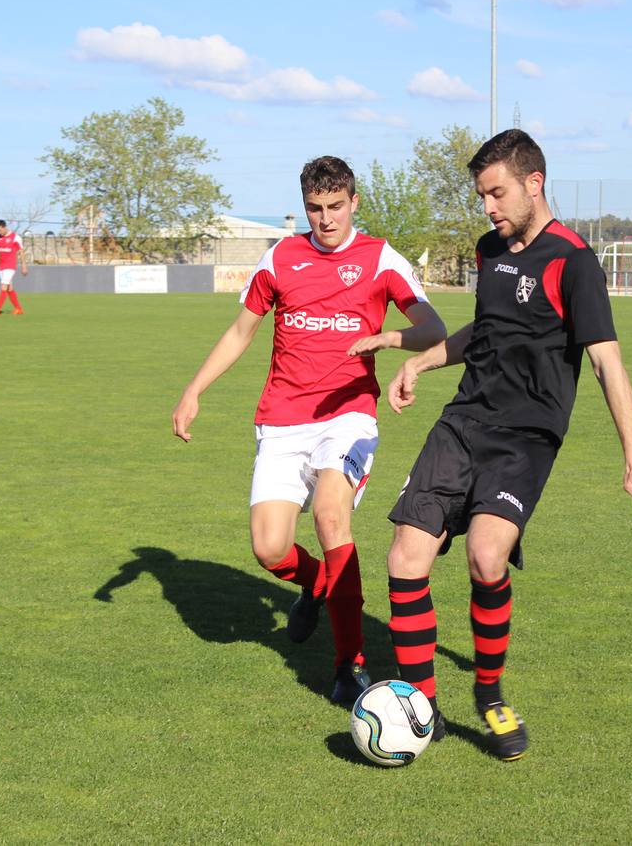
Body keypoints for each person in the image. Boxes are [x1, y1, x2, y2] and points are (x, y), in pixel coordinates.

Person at [383, 129, 632, 761]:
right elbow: (483, 332)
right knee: (406, 558)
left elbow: (606, 364)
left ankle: (489, 693)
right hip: (462, 423)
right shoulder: (490, 251)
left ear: (533, 182)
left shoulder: (575, 261)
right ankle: (420, 705)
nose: (488, 206)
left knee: (486, 558)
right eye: (482, 194)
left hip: (526, 438)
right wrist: (421, 363)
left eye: (497, 192)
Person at [172, 156, 447, 704]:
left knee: (329, 515)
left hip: (348, 416)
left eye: (336, 207)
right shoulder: (279, 257)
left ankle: (350, 665)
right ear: (305, 207)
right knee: (270, 549)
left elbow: (434, 328)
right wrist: (194, 389)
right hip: (281, 418)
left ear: (354, 203)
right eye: (315, 209)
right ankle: (321, 588)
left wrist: (388, 341)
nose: (325, 220)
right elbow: (240, 331)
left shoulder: (379, 259)